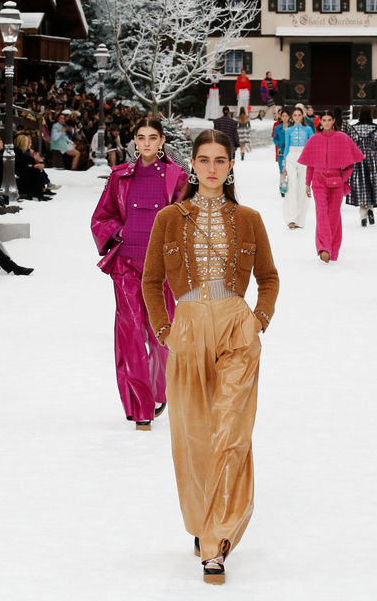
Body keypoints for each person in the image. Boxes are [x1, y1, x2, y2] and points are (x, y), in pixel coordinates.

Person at [142, 129, 279, 586]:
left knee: (231, 432)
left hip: (236, 328)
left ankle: (217, 541)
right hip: (188, 328)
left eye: (221, 160)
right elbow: (150, 280)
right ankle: (204, 522)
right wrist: (164, 330)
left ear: (232, 165)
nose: (213, 168)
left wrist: (258, 319)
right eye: (205, 160)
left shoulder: (249, 218)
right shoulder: (169, 218)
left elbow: (269, 277)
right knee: (194, 436)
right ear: (193, 165)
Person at [90, 116, 187, 430]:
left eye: (152, 137)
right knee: (130, 334)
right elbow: (102, 217)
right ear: (134, 140)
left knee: (162, 334)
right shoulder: (119, 177)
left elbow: (189, 219)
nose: (146, 143)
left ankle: (159, 392)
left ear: (162, 141)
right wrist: (119, 232)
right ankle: (139, 408)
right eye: (141, 137)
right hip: (126, 265)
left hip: (162, 268)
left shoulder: (177, 177)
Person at [298, 109, 364, 262]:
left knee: (334, 215)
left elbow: (350, 165)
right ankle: (324, 248)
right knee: (321, 213)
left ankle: (333, 249)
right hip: (318, 180)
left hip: (336, 181)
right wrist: (308, 183)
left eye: (329, 120)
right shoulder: (314, 139)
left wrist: (342, 178)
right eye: (324, 120)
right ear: (320, 122)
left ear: (334, 121)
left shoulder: (343, 138)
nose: (327, 123)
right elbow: (310, 164)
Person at [345, 107, 377, 226]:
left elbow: (349, 145)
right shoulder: (375, 129)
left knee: (361, 186)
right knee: (372, 185)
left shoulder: (353, 129)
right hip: (373, 160)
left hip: (358, 160)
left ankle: (363, 215)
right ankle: (370, 209)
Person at [279, 105, 314, 229]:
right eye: (295, 115)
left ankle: (300, 219)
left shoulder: (308, 129)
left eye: (299, 115)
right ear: (292, 117)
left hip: (305, 156)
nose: (297, 117)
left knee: (303, 186)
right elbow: (286, 147)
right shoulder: (289, 130)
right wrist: (284, 164)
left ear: (302, 116)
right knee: (292, 186)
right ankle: (291, 218)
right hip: (291, 157)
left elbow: (313, 144)